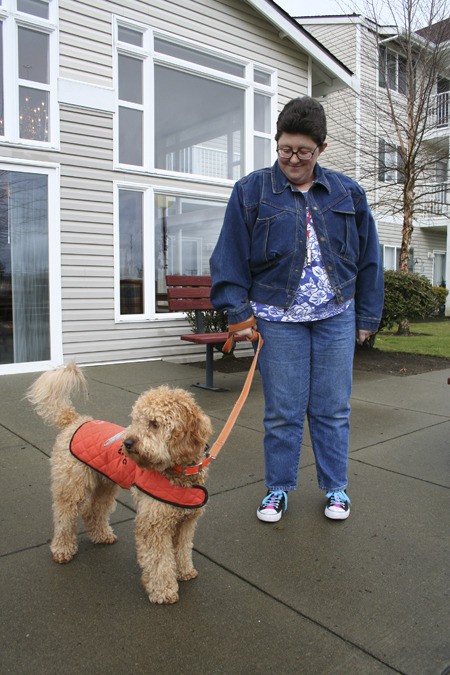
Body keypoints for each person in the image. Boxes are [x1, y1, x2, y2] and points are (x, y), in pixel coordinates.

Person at [210, 96, 384, 523]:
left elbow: (369, 259)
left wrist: (366, 318)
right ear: (277, 143)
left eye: (303, 151)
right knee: (282, 411)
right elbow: (229, 257)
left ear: (321, 149)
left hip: (335, 316)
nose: (292, 158)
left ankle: (335, 489)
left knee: (332, 408)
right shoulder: (250, 192)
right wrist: (237, 313)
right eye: (285, 149)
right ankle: (278, 489)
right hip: (276, 317)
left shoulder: (348, 193)